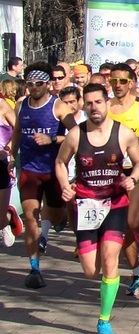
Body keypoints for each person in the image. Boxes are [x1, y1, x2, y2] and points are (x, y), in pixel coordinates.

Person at [54, 83, 139, 334]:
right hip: (86, 205)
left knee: (110, 259)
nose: (93, 107)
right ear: (83, 105)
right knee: (90, 270)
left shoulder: (123, 133)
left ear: (107, 103)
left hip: (115, 202)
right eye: (89, 103)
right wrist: (65, 186)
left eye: (98, 102)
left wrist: (133, 178)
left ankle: (104, 319)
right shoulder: (76, 135)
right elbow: (60, 162)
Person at [10, 62, 76, 288]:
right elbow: (18, 131)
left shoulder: (58, 106)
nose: (34, 88)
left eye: (39, 83)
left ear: (48, 85)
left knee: (55, 215)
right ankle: (34, 268)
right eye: (30, 84)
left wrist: (52, 139)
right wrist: (11, 154)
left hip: (53, 170)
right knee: (30, 217)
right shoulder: (21, 106)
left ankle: (60, 217)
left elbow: (75, 135)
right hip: (29, 169)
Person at [107, 63, 139, 296]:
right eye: (113, 81)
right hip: (111, 173)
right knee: (121, 226)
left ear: (132, 82)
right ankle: (137, 273)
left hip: (138, 170)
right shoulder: (105, 107)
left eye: (122, 81)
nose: (117, 85)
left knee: (132, 220)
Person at [0, 98, 21, 247]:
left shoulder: (2, 105)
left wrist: (8, 148)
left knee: (0, 213)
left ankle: (6, 220)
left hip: (2, 162)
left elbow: (18, 130)